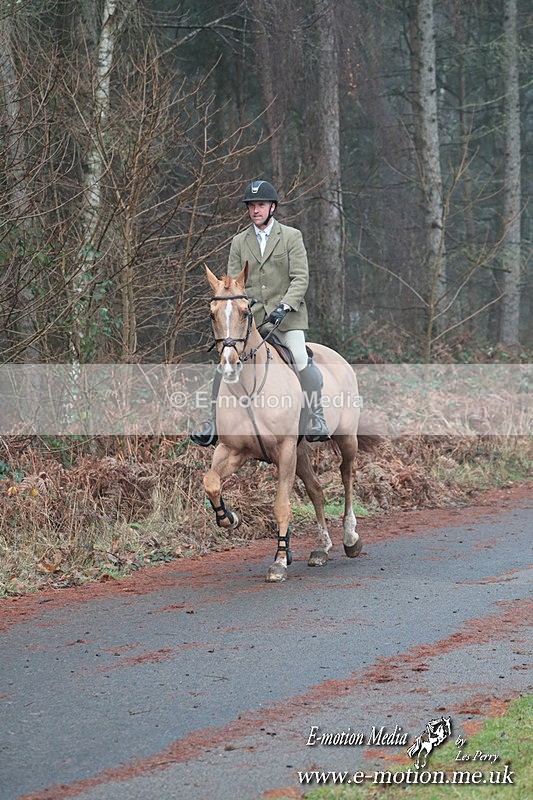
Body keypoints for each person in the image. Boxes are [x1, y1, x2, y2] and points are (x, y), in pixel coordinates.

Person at [191, 179, 330, 446]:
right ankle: (212, 422)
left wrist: (285, 306)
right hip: (251, 319)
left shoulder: (291, 236)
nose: (256, 210)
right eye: (252, 206)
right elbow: (232, 283)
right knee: (225, 361)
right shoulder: (239, 241)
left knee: (300, 358)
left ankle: (316, 416)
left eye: (261, 205)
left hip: (287, 319)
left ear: (272, 207)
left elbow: (300, 278)